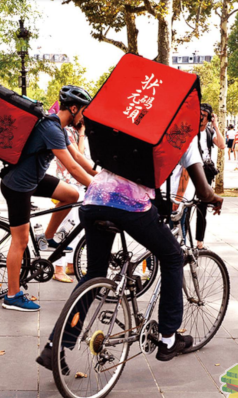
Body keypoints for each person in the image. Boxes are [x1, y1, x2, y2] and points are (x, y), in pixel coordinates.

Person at [36, 121, 224, 368]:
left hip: (93, 199)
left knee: (94, 274)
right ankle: (168, 339)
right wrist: (215, 198)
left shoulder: (128, 123)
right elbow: (203, 190)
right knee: (173, 257)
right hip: (131, 205)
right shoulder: (181, 134)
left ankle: (55, 346)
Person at [0, 85, 97, 312]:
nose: (84, 117)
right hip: (17, 186)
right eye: (84, 111)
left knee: (72, 194)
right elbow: (71, 166)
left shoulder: (59, 128)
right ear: (74, 108)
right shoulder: (50, 128)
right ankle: (12, 295)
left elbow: (78, 157)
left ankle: (47, 237)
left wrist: (97, 175)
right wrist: (96, 188)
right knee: (20, 240)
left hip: (33, 179)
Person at [51, 119, 89, 283]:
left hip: (77, 184)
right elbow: (78, 158)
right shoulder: (67, 132)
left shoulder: (76, 132)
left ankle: (70, 265)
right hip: (67, 185)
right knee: (65, 227)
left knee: (76, 227)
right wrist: (82, 133)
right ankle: (58, 269)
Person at [191, 103, 226, 250]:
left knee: (202, 207)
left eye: (203, 115)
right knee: (185, 206)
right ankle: (182, 238)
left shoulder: (209, 132)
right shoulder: (191, 131)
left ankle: (200, 241)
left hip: (205, 172)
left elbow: (222, 145)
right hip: (191, 170)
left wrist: (216, 126)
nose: (200, 118)